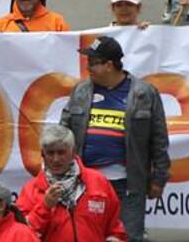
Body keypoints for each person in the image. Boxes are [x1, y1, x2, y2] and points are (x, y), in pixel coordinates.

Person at [62, 36, 169, 242]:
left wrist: (159, 178)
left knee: (128, 237)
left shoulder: (144, 93)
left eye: (92, 63)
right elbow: (64, 130)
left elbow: (159, 139)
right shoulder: (81, 90)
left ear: (109, 65)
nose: (88, 68)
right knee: (87, 236)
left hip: (127, 184)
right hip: (85, 183)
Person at [15, 124, 125, 242]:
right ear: (43, 154)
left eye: (61, 152)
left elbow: (115, 228)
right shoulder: (30, 191)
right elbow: (23, 236)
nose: (56, 159)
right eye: (50, 153)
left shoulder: (98, 181)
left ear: (73, 152)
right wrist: (45, 207)